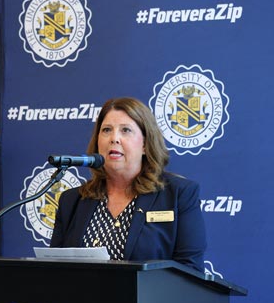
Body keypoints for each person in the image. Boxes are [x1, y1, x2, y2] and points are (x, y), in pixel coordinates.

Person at [50, 97, 206, 271]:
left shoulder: (178, 194)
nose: (114, 138)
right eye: (107, 130)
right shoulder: (72, 201)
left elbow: (190, 270)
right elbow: (55, 271)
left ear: (145, 145)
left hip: (152, 298)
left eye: (125, 130)